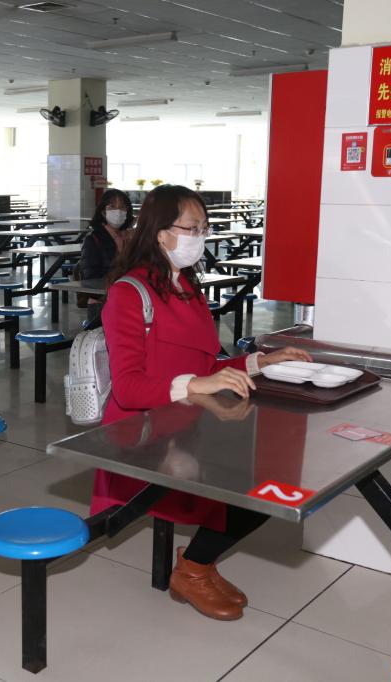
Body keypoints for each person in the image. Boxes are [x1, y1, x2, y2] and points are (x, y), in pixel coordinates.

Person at [96, 184, 311, 621]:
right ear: (161, 233)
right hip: (143, 432)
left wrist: (261, 361)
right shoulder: (129, 294)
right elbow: (129, 389)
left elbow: (207, 364)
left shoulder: (186, 287)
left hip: (188, 421)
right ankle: (194, 569)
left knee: (274, 481)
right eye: (192, 228)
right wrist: (197, 384)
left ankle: (196, 564)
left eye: (204, 229)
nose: (201, 237)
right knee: (249, 486)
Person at [78, 189, 134, 323]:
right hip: (102, 304)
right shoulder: (93, 240)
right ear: (103, 212)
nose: (118, 211)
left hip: (129, 300)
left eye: (122, 207)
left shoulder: (130, 237)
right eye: (112, 207)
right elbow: (90, 279)